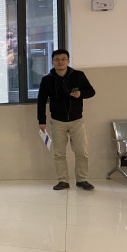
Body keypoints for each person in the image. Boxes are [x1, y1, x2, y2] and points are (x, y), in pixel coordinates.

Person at [37, 49, 96, 191]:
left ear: (68, 61)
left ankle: (82, 180)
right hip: (57, 122)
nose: (60, 62)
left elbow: (91, 91)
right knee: (59, 153)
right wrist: (41, 120)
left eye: (63, 59)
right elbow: (41, 101)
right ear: (52, 62)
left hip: (77, 121)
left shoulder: (78, 75)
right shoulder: (47, 80)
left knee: (82, 152)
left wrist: (80, 94)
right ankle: (63, 181)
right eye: (57, 59)